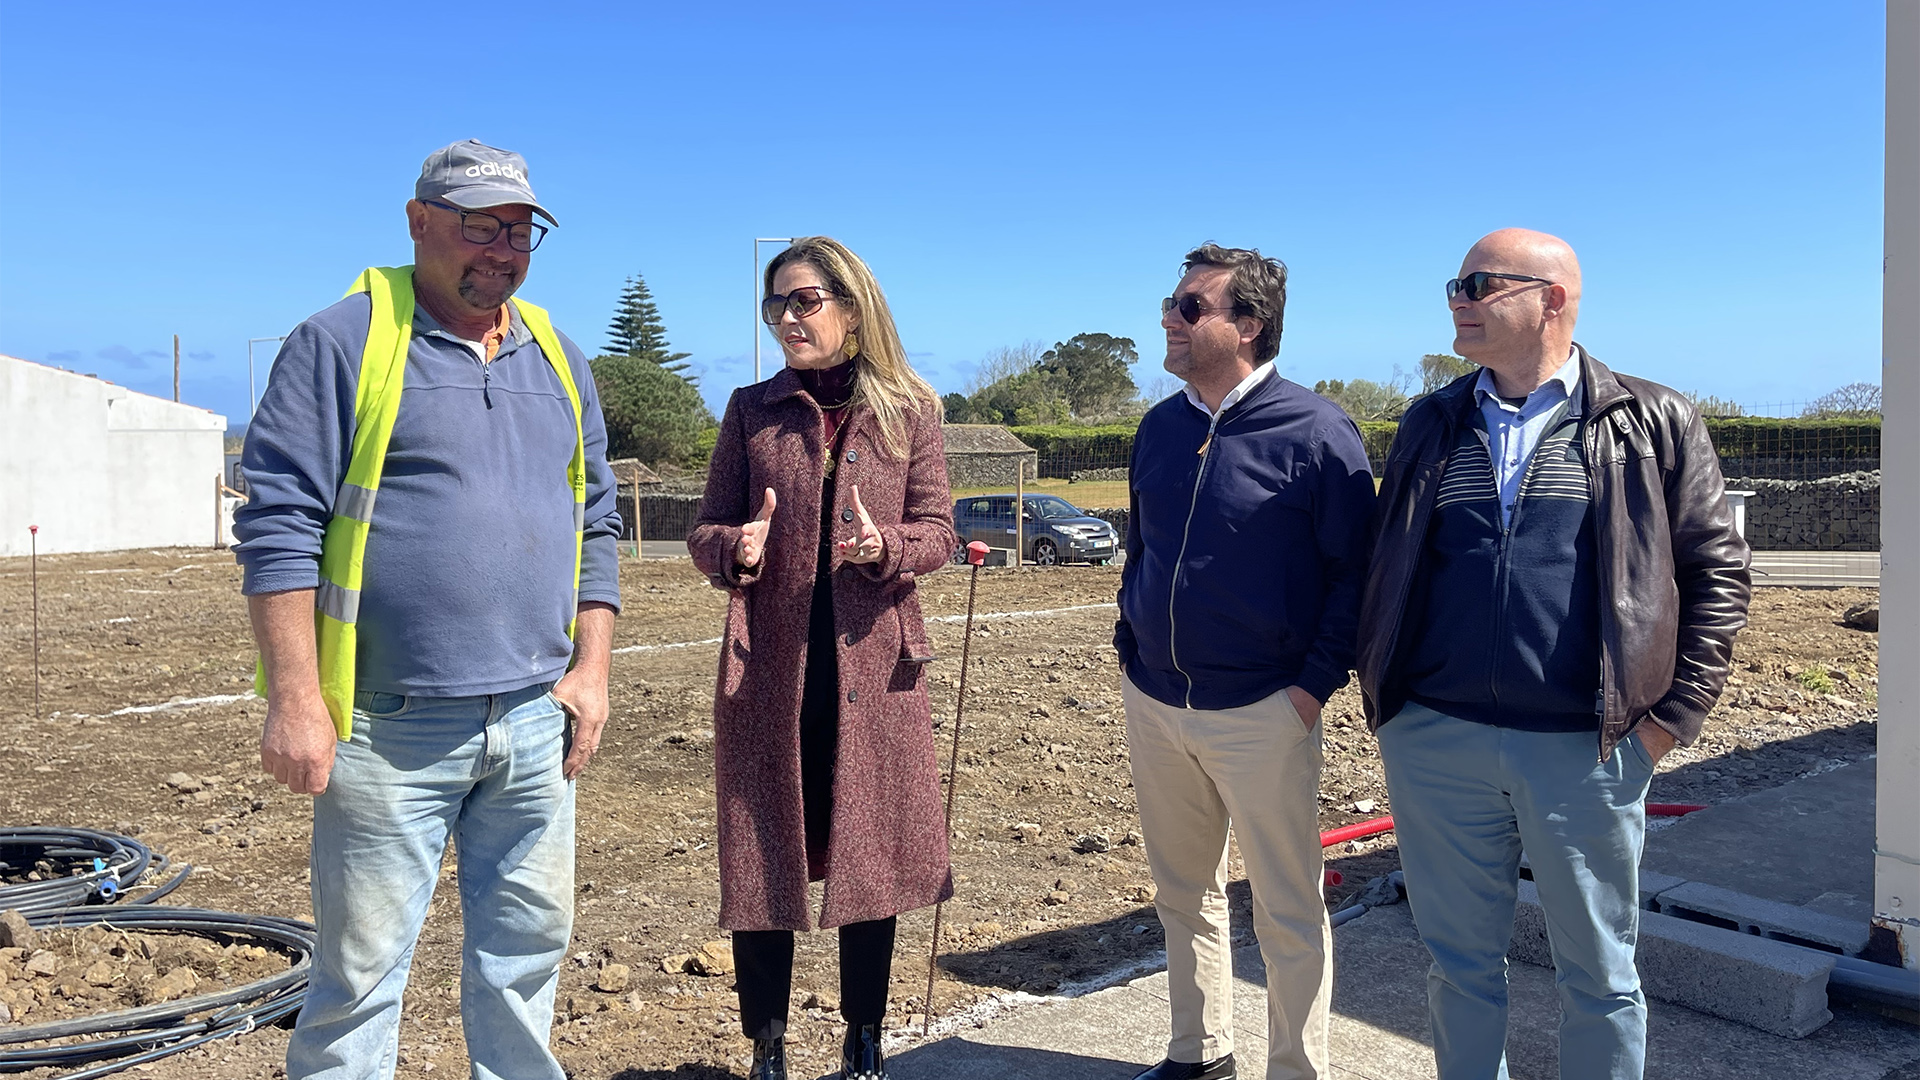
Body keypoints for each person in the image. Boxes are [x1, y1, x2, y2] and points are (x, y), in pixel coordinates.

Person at [234, 139, 622, 1080]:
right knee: (360, 976)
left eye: (520, 229)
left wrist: (592, 669)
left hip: (534, 720)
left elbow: (597, 519)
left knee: (526, 963)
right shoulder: (343, 342)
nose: (502, 247)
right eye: (480, 225)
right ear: (418, 224)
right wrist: (297, 699)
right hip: (385, 726)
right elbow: (280, 522)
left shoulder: (559, 356)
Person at [1356, 229, 1751, 1080]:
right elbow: (1387, 562)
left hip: (1591, 750)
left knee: (1600, 977)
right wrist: (1393, 710)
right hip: (1436, 741)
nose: (1456, 298)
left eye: (1478, 283)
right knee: (1458, 969)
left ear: (1552, 300)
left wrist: (1667, 725)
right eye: (1453, 284)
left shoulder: (1653, 420)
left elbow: (1717, 575)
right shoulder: (1433, 420)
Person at [688, 236, 957, 1080]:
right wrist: (736, 546)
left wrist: (889, 550)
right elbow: (703, 532)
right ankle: (767, 1040)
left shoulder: (910, 410)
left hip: (874, 669)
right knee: (764, 847)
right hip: (770, 670)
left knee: (866, 850)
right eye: (777, 305)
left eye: (804, 301)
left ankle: (864, 1035)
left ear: (851, 305)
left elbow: (941, 531)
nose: (787, 319)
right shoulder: (751, 408)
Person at [1114, 244, 1377, 1080]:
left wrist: (1308, 690)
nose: (1169, 316)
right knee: (1181, 896)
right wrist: (1131, 647)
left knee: (1288, 909)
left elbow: (1354, 579)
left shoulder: (1318, 431)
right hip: (1157, 704)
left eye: (1191, 307)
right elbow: (1141, 550)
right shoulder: (1161, 427)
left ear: (1249, 326)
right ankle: (1199, 1054)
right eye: (1171, 302)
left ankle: (1298, 1070)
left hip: (1266, 710)